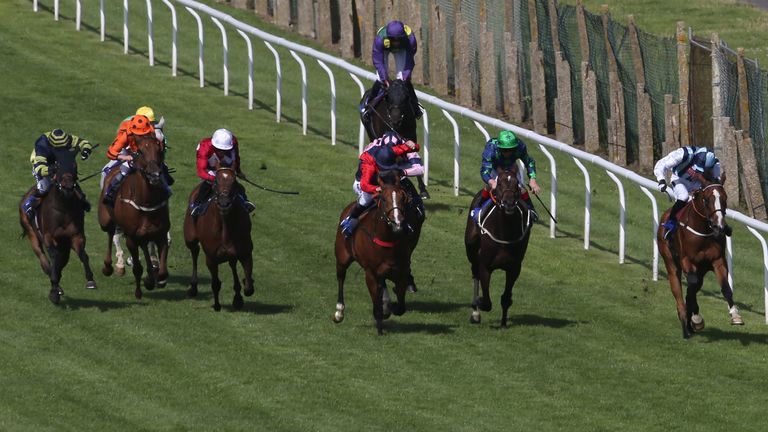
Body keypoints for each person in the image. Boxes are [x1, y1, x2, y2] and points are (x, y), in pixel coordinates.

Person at [339, 132, 419, 238]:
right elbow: (364, 185)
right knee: (367, 199)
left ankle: (404, 221)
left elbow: (412, 148)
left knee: (398, 196)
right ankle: (350, 221)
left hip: (382, 180)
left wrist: (413, 145)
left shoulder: (392, 150)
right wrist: (378, 188)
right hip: (365, 184)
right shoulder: (369, 165)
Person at [654, 146, 731, 240]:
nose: (698, 172)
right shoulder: (683, 154)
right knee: (684, 197)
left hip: (699, 184)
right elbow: (661, 165)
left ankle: (720, 223)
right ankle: (670, 222)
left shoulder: (715, 164)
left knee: (712, 198)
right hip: (680, 179)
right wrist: (661, 180)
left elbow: (715, 183)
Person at [22, 129, 93, 220]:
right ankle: (29, 205)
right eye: (59, 149)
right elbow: (39, 168)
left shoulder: (65, 139)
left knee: (70, 181)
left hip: (58, 163)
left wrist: (86, 150)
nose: (62, 150)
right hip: (42, 164)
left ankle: (81, 199)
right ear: (52, 145)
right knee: (44, 188)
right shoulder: (42, 145)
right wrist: (51, 170)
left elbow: (83, 142)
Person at [102, 114, 172, 206]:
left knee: (158, 166)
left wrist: (160, 143)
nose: (142, 137)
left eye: (144, 134)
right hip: (128, 151)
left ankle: (166, 186)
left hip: (143, 151)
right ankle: (110, 193)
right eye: (139, 135)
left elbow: (159, 146)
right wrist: (125, 157)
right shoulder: (126, 134)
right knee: (125, 168)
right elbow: (111, 152)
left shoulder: (150, 130)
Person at [472, 130, 540, 223]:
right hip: (495, 167)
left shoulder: (520, 146)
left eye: (511, 149)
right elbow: (485, 171)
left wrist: (532, 180)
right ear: (499, 147)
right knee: (490, 187)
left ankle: (531, 209)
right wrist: (491, 181)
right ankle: (479, 207)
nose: (508, 153)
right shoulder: (491, 149)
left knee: (521, 187)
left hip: (511, 167)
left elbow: (529, 162)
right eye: (505, 150)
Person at [362, 20, 421, 121]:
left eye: (398, 40)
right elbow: (378, 61)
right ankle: (369, 106)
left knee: (404, 81)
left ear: (403, 37)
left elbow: (409, 61)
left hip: (403, 50)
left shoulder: (410, 40)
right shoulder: (380, 39)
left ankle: (415, 107)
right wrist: (385, 79)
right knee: (380, 79)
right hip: (384, 50)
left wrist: (405, 77)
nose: (396, 42)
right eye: (393, 40)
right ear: (389, 37)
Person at [189, 128, 255, 217]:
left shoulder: (233, 141)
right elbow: (201, 172)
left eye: (225, 150)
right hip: (210, 168)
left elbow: (236, 158)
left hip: (225, 166)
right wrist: (216, 179)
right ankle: (197, 205)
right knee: (208, 184)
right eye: (219, 149)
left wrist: (238, 171)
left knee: (234, 184)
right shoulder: (205, 147)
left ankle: (245, 201)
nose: (222, 151)